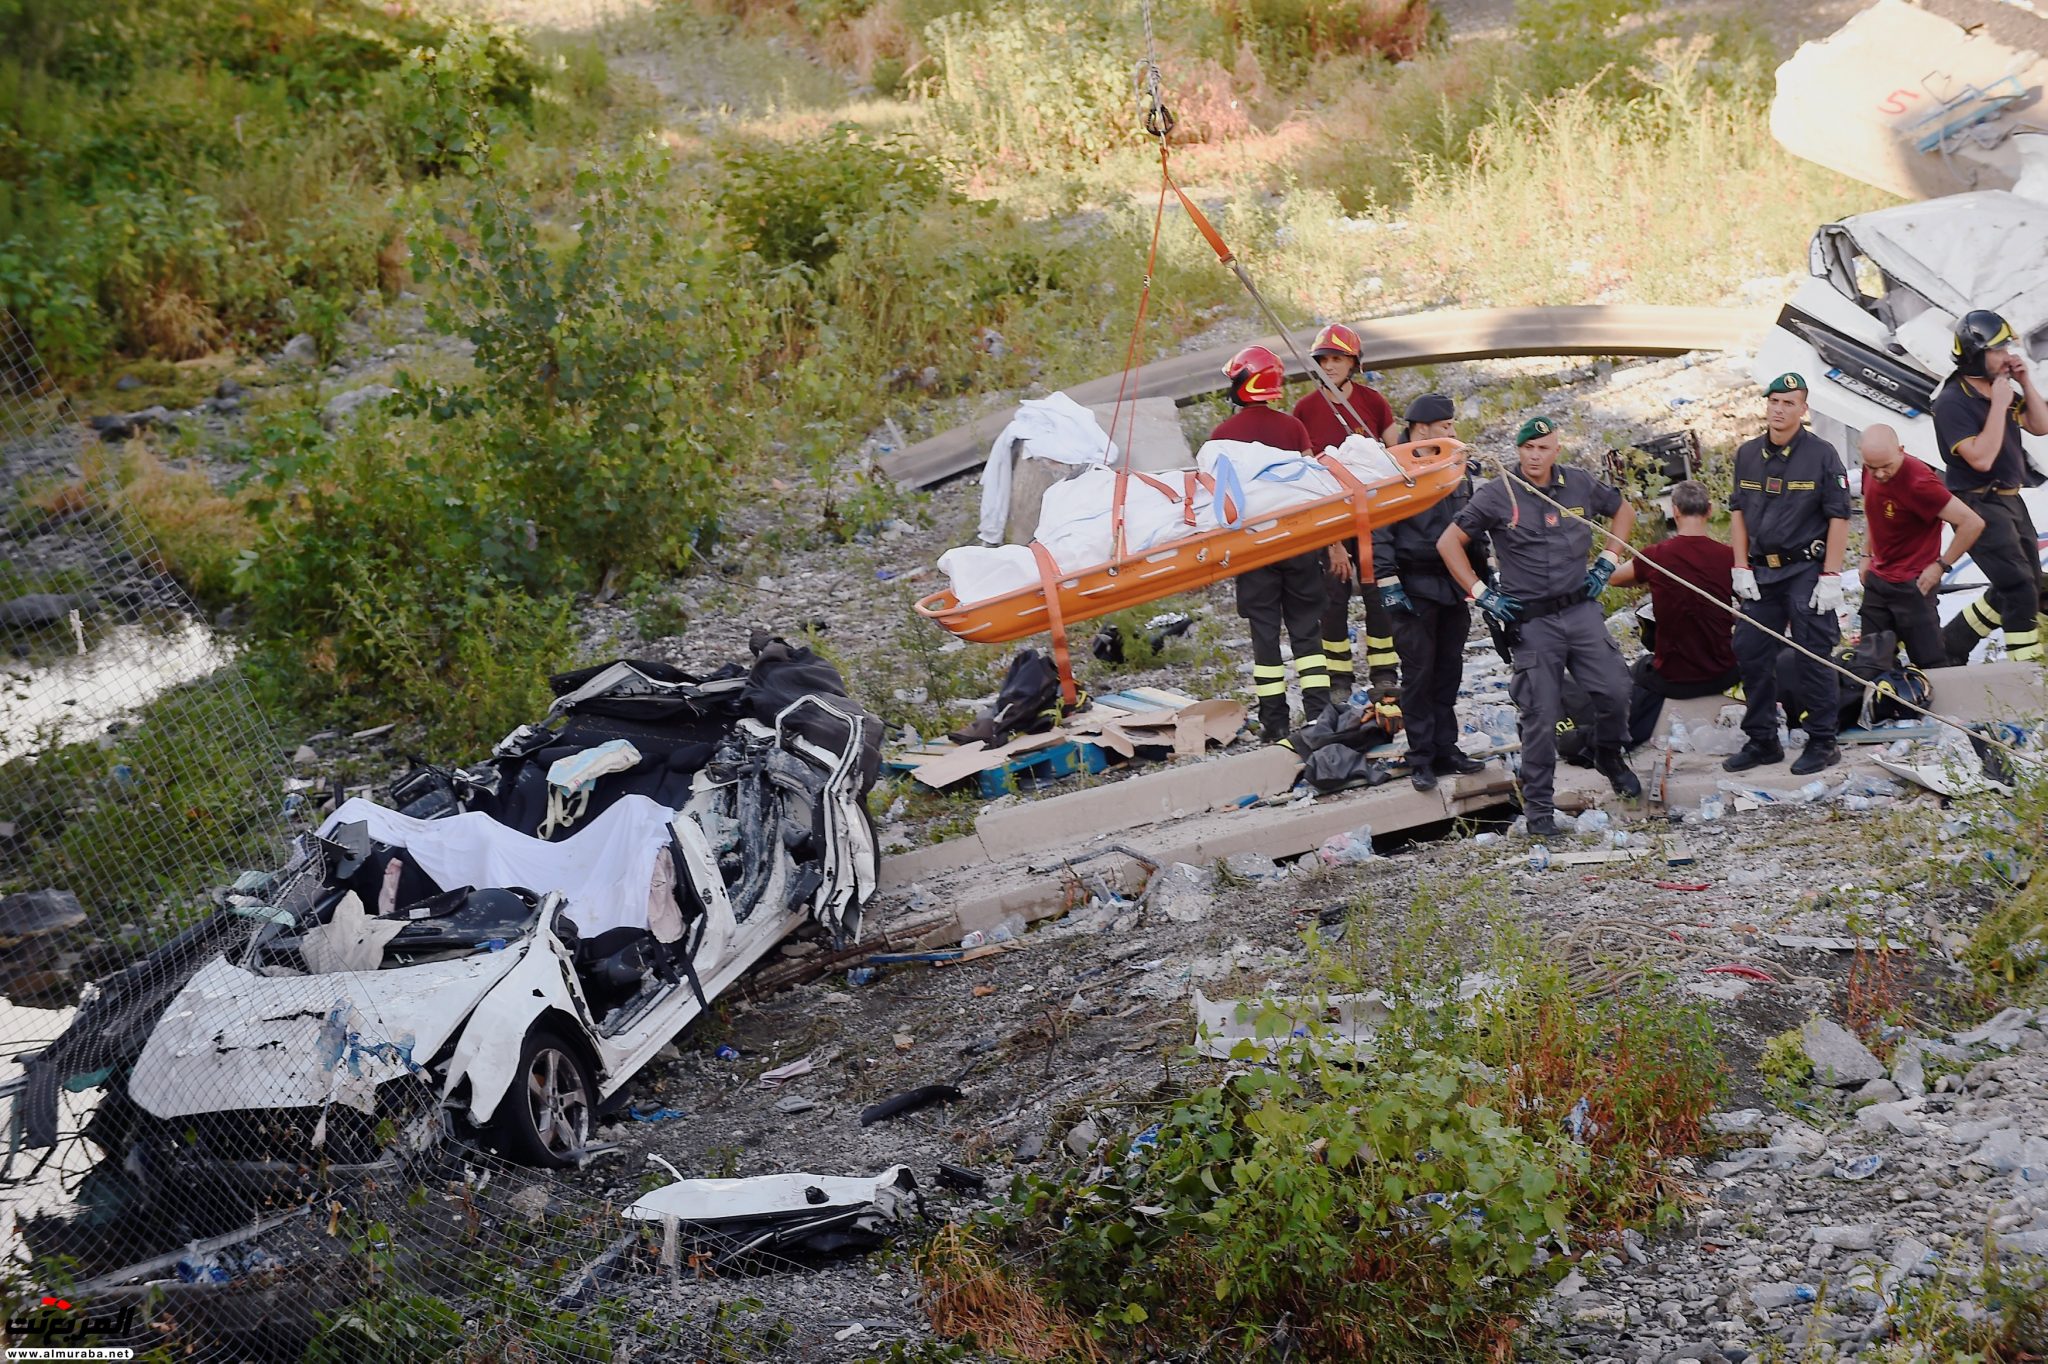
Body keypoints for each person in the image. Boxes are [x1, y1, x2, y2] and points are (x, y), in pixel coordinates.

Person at [1439, 416, 1641, 837]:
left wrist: (1607, 561)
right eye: (1528, 448)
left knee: (1616, 690)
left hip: (1580, 608)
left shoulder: (1579, 484)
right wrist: (1481, 592)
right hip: (1531, 620)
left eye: (1543, 448)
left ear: (1556, 450)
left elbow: (1623, 510)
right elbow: (1448, 543)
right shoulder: (1499, 493)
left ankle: (1608, 754)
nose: (1534, 456)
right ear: (1519, 449)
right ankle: (1540, 814)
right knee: (1541, 715)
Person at [1724, 373, 1852, 776]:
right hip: (1763, 572)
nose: (1779, 409)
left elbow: (1839, 516)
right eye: (1773, 401)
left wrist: (1831, 575)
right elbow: (1739, 513)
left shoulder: (1822, 455)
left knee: (1813, 654)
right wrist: (1740, 565)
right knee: (1750, 651)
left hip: (1806, 570)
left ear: (1803, 409)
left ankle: (1822, 741)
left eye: (1788, 403)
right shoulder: (1747, 454)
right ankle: (1763, 740)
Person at [1211, 344, 1330, 740]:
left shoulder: (1222, 436)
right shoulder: (1293, 428)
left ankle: (1275, 724)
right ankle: (1318, 715)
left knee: (1265, 636)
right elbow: (1313, 482)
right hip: (1299, 544)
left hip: (1254, 550)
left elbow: (1214, 499)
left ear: (1245, 382)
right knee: (1306, 631)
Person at [1372, 393, 1488, 792]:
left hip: (1451, 584)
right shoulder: (1392, 470)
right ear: (1422, 429)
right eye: (1446, 427)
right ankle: (1421, 756)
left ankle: (1446, 749)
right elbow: (1379, 530)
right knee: (1419, 674)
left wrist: (1483, 579)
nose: (1454, 433)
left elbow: (1473, 523)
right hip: (1413, 585)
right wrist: (1387, 582)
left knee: (1448, 670)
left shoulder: (1455, 466)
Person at [1932, 309, 2048, 664]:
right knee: (2019, 588)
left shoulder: (2002, 389)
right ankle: (2025, 674)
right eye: (1997, 350)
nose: (2006, 356)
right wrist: (1999, 405)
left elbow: (2040, 426)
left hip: (2011, 501)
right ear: (1975, 354)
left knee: (2027, 583)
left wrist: (2026, 383)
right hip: (1977, 504)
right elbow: (1980, 459)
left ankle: (1950, 646)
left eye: (2006, 348)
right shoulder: (1952, 401)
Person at [1292, 323, 1400, 702]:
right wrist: (1332, 539)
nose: (1330, 365)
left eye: (1338, 358)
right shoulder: (1304, 410)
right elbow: (1303, 472)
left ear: (1353, 362)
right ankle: (1339, 681)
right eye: (1324, 359)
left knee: (1377, 595)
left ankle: (1385, 674)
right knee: (1333, 600)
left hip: (1374, 517)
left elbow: (1396, 457)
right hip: (1328, 521)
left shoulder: (1373, 402)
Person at [1607, 480, 1740, 749]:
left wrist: (1647, 578)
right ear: (1710, 510)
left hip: (1673, 680)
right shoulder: (1729, 556)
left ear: (1675, 511)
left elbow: (1614, 579)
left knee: (1639, 667)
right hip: (1724, 674)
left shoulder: (1657, 556)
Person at [1859, 423, 1983, 669]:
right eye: (1873, 468)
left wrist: (1941, 565)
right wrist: (1865, 554)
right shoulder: (1870, 469)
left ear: (1901, 451)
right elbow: (1873, 511)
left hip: (1914, 585)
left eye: (1887, 467)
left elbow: (1972, 523)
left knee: (1932, 666)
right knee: (1868, 664)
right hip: (1879, 581)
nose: (1880, 474)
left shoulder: (1919, 482)